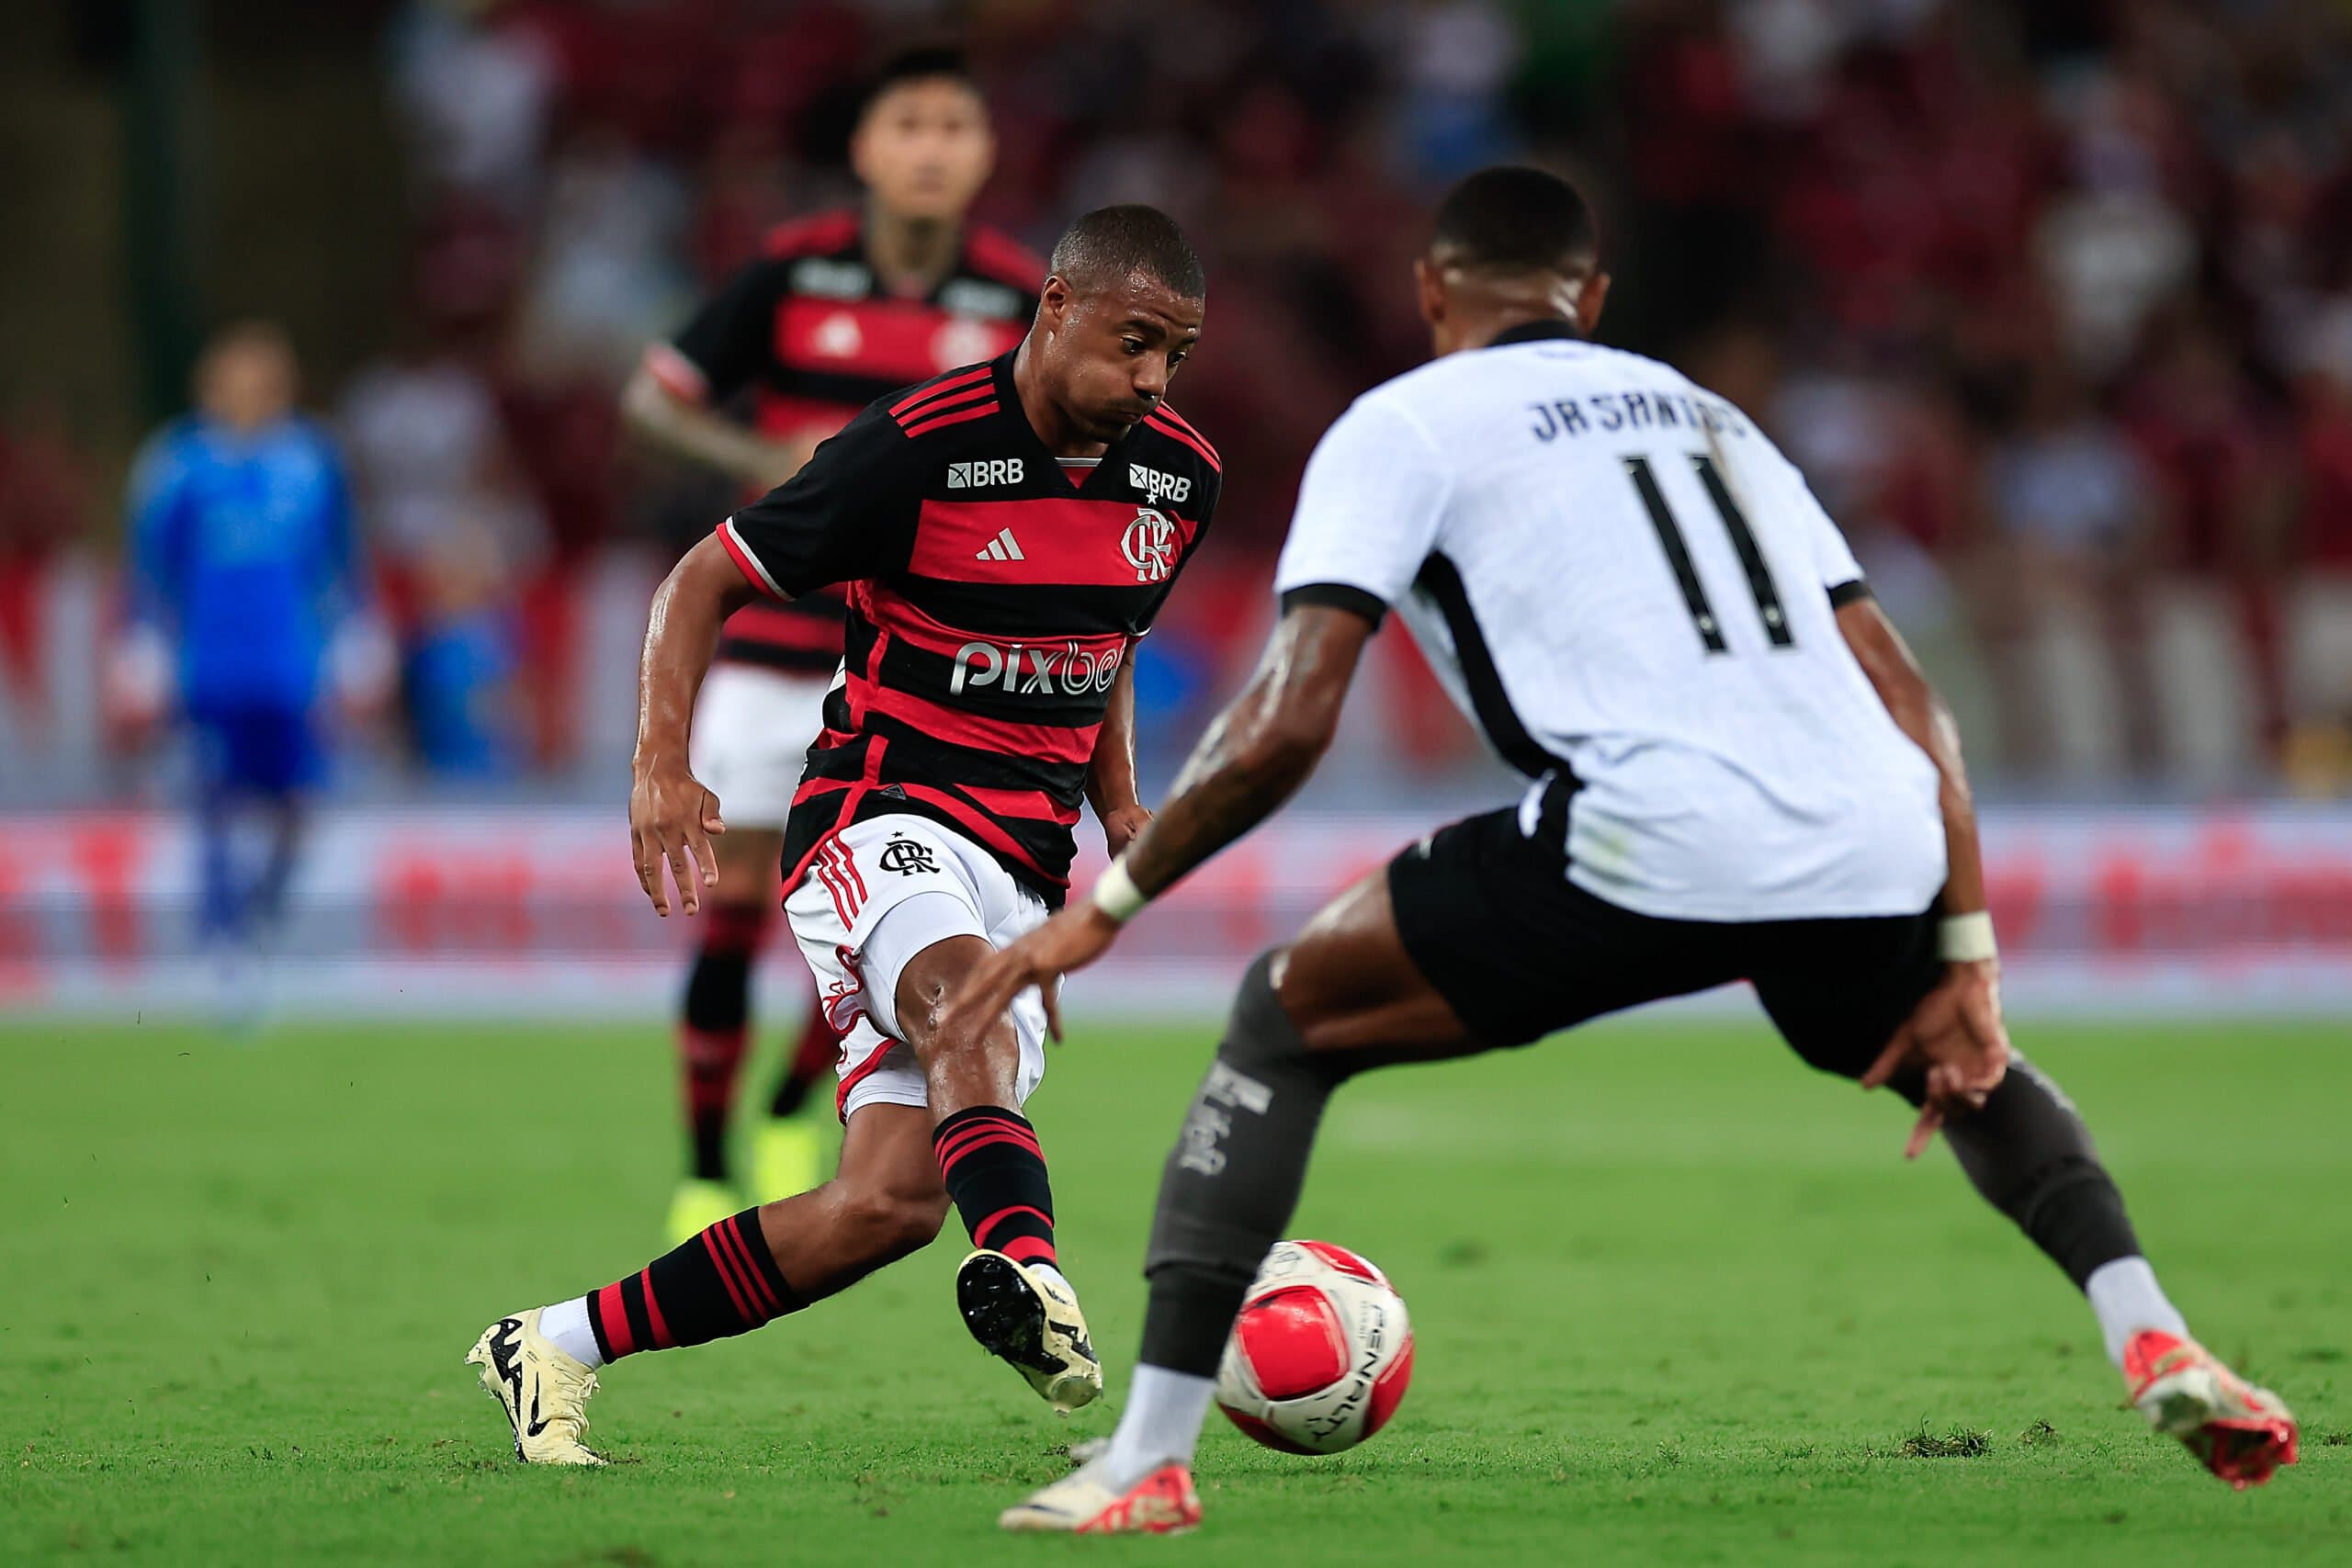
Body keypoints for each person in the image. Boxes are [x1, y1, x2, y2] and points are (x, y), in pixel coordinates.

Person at [945, 167, 2301, 1534]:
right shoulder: (1719, 423)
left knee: (1283, 1017)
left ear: (1430, 296)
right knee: (1952, 1052)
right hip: (1868, 822)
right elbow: (1913, 697)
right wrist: (1967, 947)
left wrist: (1102, 905)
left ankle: (1148, 1457)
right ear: (1589, 303)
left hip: (1654, 825)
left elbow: (1291, 714)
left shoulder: (1401, 424)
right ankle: (2153, 1333)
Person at [467, 205, 1220, 1464]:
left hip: (1025, 858)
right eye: (1133, 341)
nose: (1150, 378)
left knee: (885, 1201)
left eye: (1175, 355)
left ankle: (550, 1342)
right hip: (883, 810)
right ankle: (1028, 1268)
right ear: (1055, 309)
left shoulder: (1178, 475)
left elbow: (1111, 635)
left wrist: (1119, 795)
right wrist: (662, 762)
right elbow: (703, 575)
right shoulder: (916, 448)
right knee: (957, 996)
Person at [622, 47, 1044, 1241]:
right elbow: (654, 397)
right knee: (742, 896)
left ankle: (793, 1099)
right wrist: (764, 462)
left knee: (877, 914)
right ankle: (705, 1163)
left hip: (916, 659)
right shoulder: (793, 271)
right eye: (907, 123)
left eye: (954, 126)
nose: (930, 147)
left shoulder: (1018, 299)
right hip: (772, 639)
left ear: (984, 153)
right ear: (865, 149)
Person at [119, 322, 382, 1024]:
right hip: (208, 665)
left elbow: (340, 560)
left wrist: (359, 634)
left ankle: (261, 916)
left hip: (290, 664)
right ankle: (222, 943)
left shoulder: (311, 461)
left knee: (297, 804)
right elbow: (149, 566)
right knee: (214, 801)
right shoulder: (178, 464)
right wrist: (141, 642)